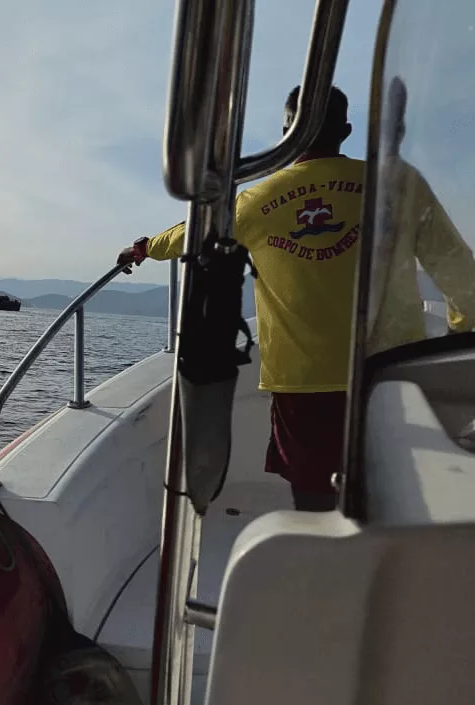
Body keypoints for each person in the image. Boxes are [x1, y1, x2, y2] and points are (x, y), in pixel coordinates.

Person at [117, 85, 474, 512]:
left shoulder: (254, 201)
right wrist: (456, 330)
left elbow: (187, 234)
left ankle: (323, 563)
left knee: (315, 498)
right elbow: (459, 271)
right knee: (398, 491)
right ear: (345, 130)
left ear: (287, 132)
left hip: (303, 384)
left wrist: (144, 247)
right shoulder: (399, 185)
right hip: (389, 373)